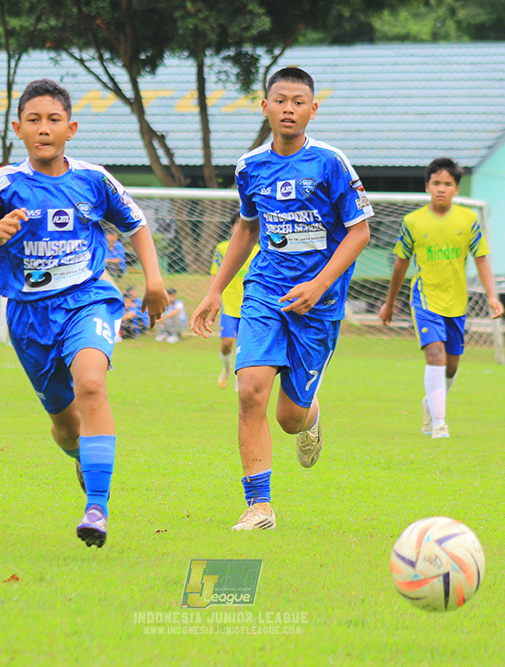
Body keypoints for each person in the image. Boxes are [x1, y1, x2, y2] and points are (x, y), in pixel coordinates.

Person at [0, 78, 167, 548]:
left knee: (92, 382)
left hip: (87, 298)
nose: (44, 128)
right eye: (34, 120)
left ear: (71, 128)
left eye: (53, 120)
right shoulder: (0, 186)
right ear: (18, 129)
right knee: (66, 426)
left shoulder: (93, 179)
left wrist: (153, 282)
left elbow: (137, 224)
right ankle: (80, 454)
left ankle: (97, 506)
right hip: (28, 319)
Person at [191, 67, 372, 532]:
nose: (289, 108)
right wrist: (214, 289)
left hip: (318, 304)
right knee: (249, 389)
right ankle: (259, 507)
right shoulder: (249, 166)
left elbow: (360, 232)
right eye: (280, 100)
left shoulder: (331, 162)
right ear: (265, 106)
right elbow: (247, 227)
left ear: (313, 109)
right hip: (265, 290)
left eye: (298, 101)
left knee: (289, 419)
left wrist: (319, 285)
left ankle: (310, 417)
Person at [379, 158, 503, 439]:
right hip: (425, 300)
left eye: (447, 184)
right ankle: (439, 424)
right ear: (427, 186)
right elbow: (401, 263)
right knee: (434, 354)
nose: (441, 189)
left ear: (456, 189)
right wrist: (389, 302)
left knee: (452, 364)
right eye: (436, 183)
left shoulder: (468, 219)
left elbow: (481, 259)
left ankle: (431, 403)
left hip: (457, 303)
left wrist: (493, 297)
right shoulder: (413, 222)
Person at [210, 224, 260, 389]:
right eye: (237, 223)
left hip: (250, 303)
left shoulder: (259, 250)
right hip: (229, 303)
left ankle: (240, 378)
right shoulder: (222, 248)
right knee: (227, 342)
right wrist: (212, 294)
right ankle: (226, 368)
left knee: (244, 344)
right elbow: (214, 272)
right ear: (232, 228)